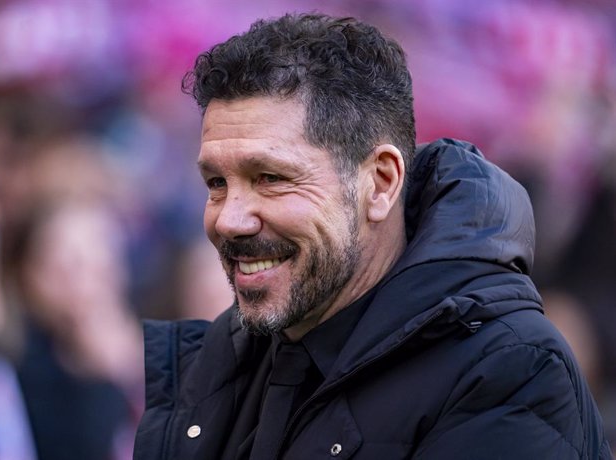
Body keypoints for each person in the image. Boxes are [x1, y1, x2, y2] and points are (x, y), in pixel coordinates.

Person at [134, 13, 612, 460]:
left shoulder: (509, 374)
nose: (229, 220)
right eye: (216, 183)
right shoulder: (225, 361)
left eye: (270, 178)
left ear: (380, 183)